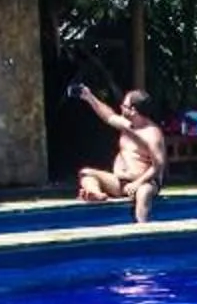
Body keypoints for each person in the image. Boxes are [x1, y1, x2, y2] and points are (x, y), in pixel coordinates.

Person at [71, 85, 165, 223]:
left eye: (124, 105)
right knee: (86, 173)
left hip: (146, 182)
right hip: (121, 183)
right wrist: (89, 97)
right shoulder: (127, 125)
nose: (121, 107)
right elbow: (108, 115)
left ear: (133, 110)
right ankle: (96, 194)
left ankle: (142, 227)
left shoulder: (152, 134)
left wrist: (138, 183)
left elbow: (158, 166)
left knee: (143, 193)